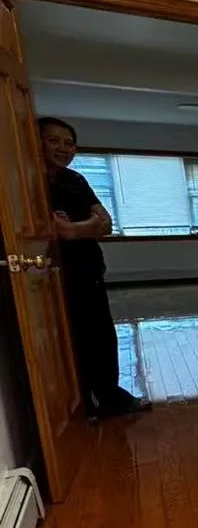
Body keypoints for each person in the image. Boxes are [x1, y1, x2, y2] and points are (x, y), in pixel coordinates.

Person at [39, 117, 149, 418]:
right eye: (53, 141)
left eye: (69, 142)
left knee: (100, 334)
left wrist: (73, 230)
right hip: (44, 275)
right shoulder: (25, 183)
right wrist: (87, 226)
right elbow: (91, 223)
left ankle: (110, 396)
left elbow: (106, 223)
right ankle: (79, 405)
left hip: (86, 269)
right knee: (64, 339)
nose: (63, 148)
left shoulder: (75, 181)